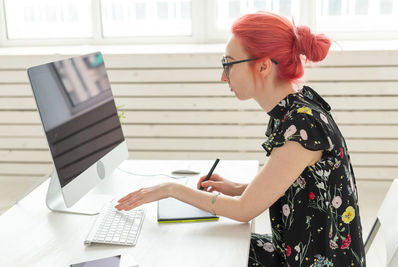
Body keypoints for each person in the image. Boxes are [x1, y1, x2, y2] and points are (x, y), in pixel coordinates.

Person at [115, 11, 366, 267]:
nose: (224, 76)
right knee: (200, 243)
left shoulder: (302, 125)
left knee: (195, 251)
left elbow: (243, 211)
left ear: (263, 65)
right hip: (299, 254)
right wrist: (237, 188)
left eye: (229, 64)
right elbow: (300, 185)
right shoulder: (296, 110)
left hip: (308, 262)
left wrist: (172, 189)